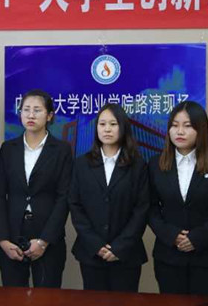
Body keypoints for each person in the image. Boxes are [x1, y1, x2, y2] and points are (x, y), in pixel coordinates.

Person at [148, 100, 208, 296]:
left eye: (187, 126)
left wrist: (198, 238)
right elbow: (150, 207)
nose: (180, 131)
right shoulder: (156, 164)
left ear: (200, 129)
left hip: (207, 257)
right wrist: (171, 235)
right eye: (174, 125)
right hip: (168, 257)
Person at [0, 89, 72, 288]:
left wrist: (44, 241)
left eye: (37, 110)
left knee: (47, 298)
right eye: (26, 109)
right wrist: (3, 239)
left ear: (49, 116)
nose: (30, 115)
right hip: (12, 235)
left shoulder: (62, 150)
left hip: (47, 236)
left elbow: (64, 198)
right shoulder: (8, 149)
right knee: (12, 298)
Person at [68, 103, 148, 292]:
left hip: (127, 254)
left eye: (113, 124)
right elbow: (75, 205)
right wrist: (95, 244)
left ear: (123, 127)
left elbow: (142, 209)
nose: (107, 129)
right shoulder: (81, 164)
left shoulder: (137, 165)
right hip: (91, 253)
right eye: (102, 124)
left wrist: (120, 247)